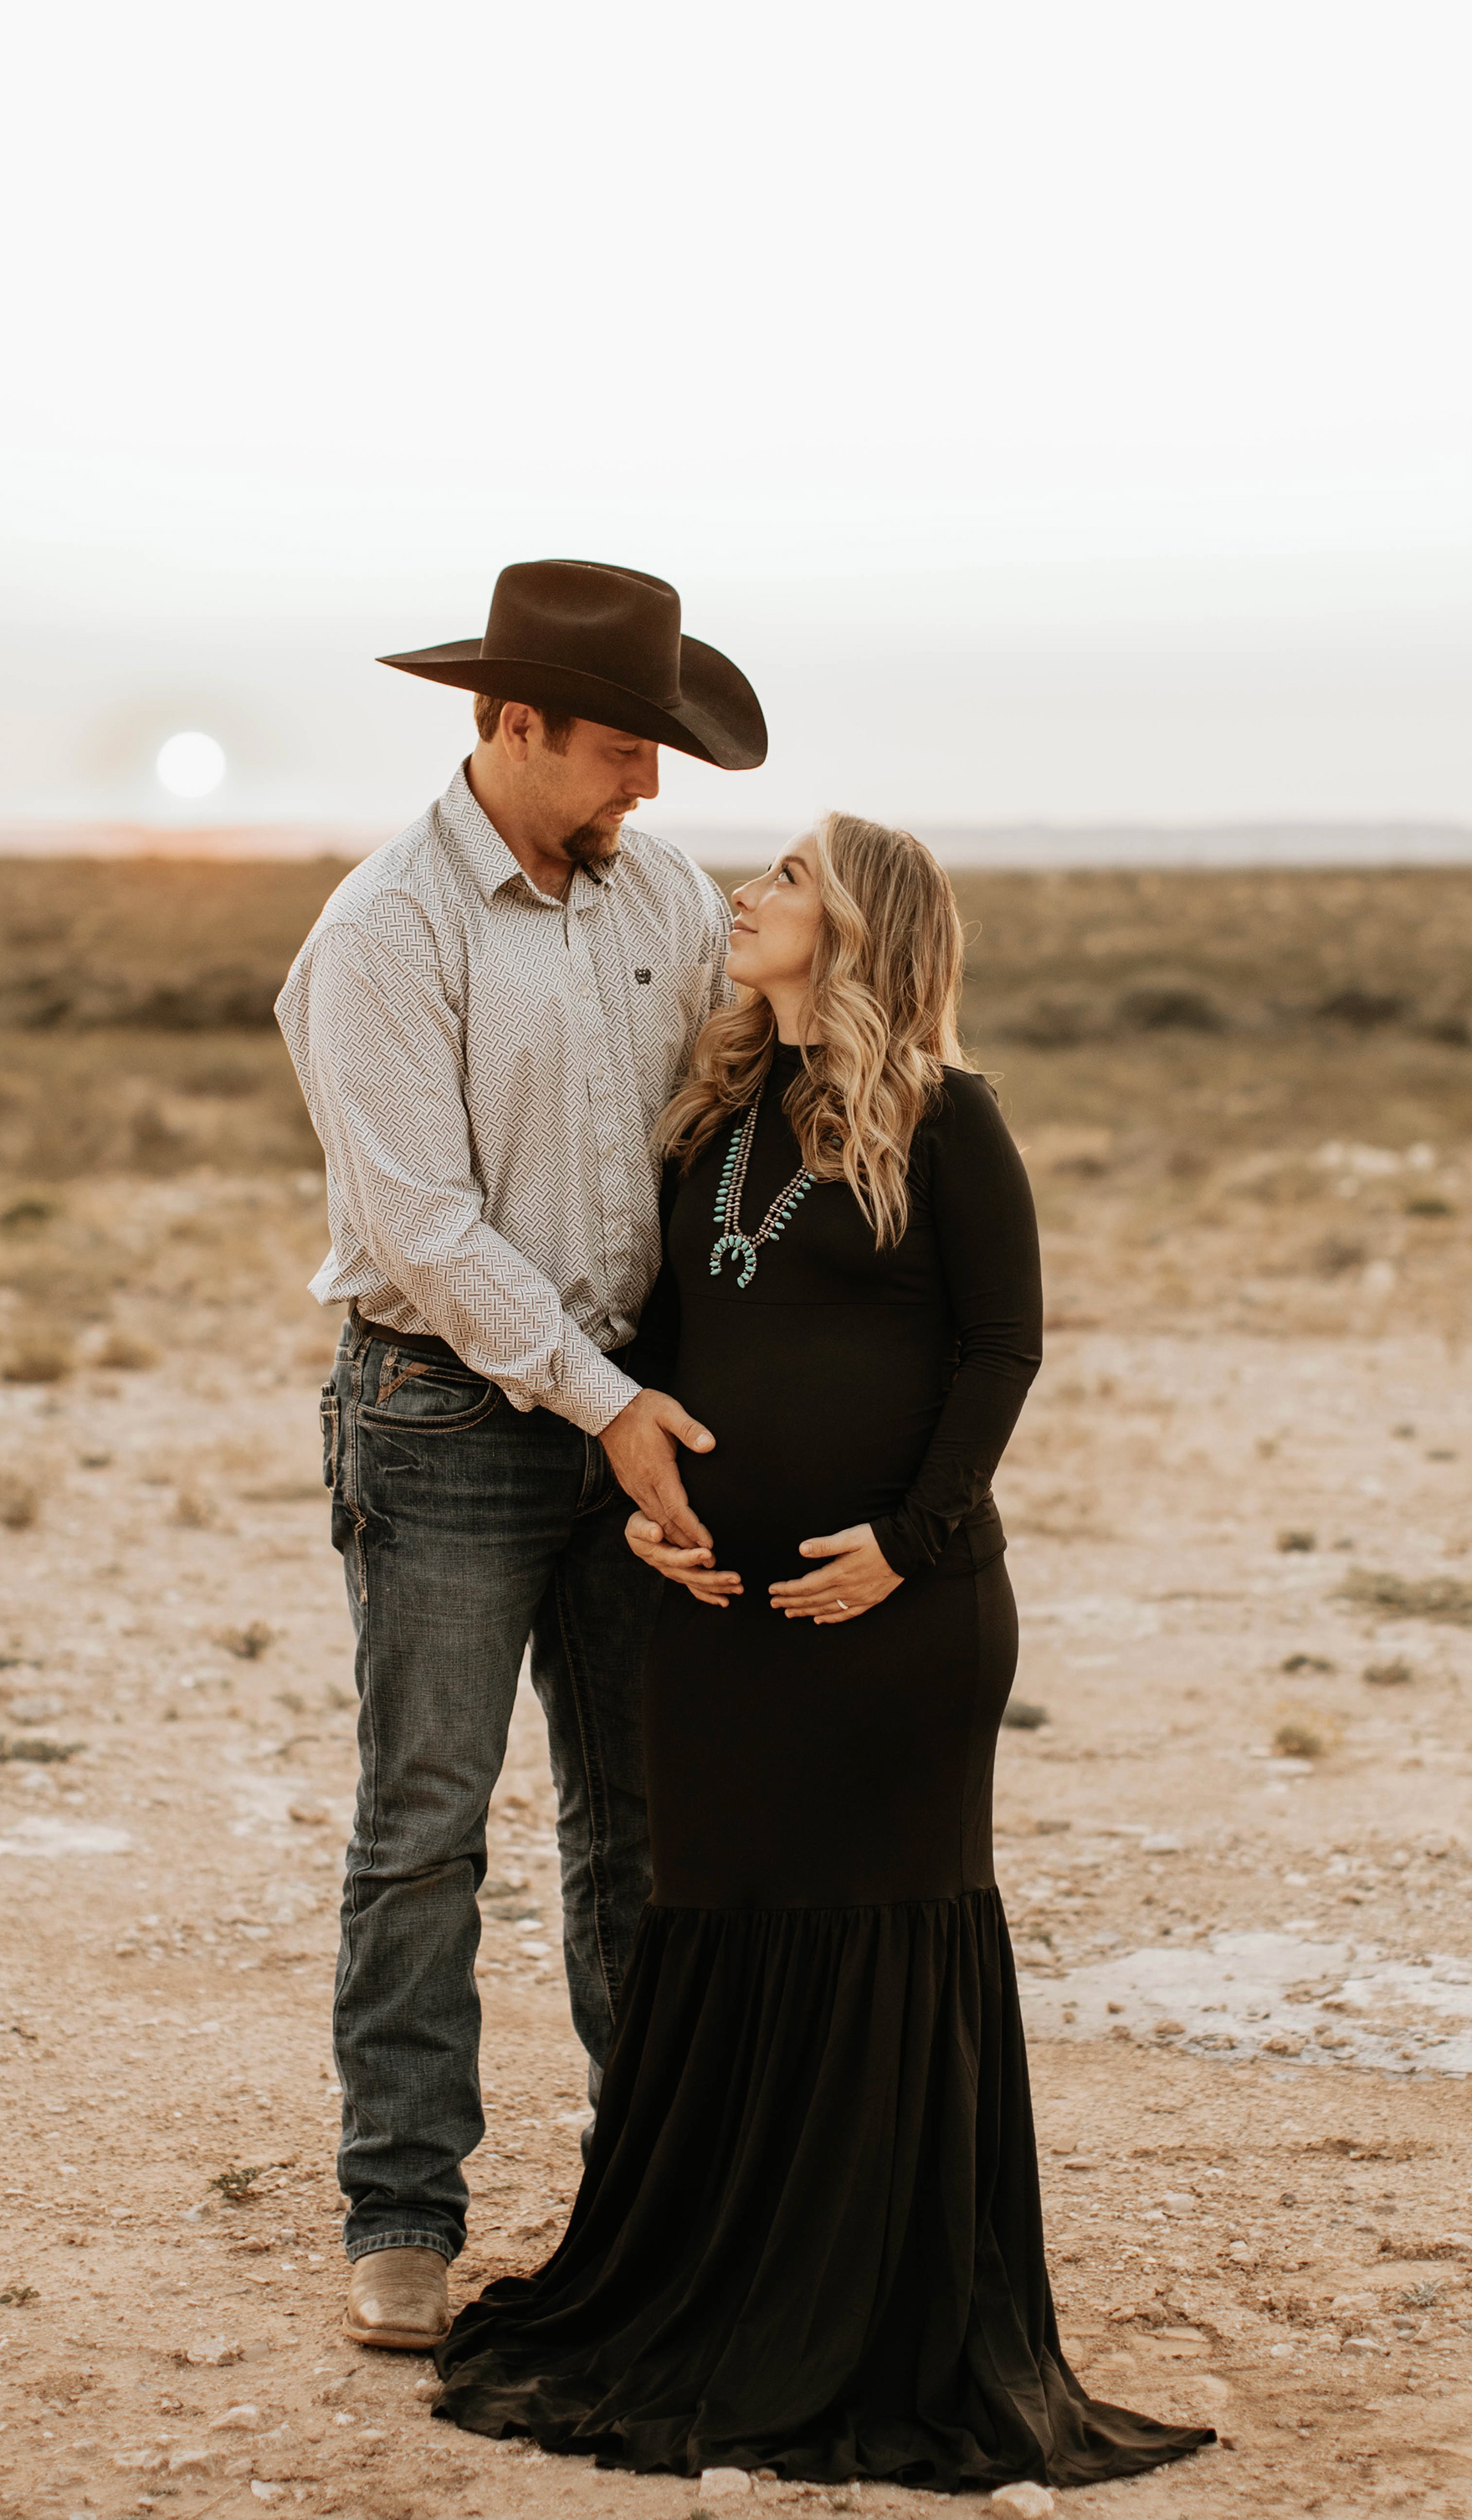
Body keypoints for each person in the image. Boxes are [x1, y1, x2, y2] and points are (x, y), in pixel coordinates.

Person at [432, 814, 1213, 2492]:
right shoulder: (714, 1115)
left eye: (788, 878)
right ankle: (718, 2298)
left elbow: (1003, 1348)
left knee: (878, 1935)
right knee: (715, 1922)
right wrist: (638, 1508)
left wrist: (910, 1546)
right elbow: (663, 1341)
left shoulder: (949, 1115)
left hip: (900, 1626)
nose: (747, 892)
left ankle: (875, 2330)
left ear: (861, 928)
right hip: (715, 1618)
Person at [274, 559, 767, 2353]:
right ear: (510, 722)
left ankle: (657, 2202)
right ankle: (402, 2213)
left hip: (634, 1414)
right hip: (445, 1420)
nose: (650, 778)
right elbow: (424, 1229)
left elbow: (723, 1134)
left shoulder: (673, 897)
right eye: (623, 744)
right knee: (427, 1823)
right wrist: (605, 1401)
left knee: (644, 1824)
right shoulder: (384, 932)